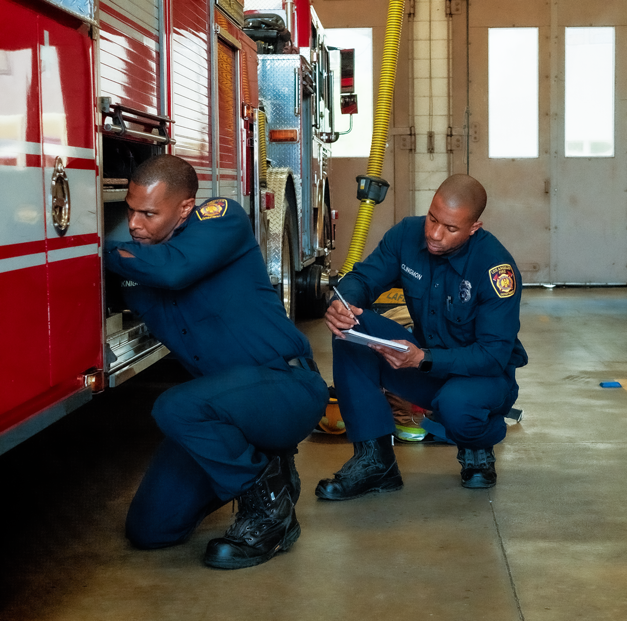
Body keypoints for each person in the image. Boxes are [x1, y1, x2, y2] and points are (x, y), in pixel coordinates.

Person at [104, 154, 328, 569]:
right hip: (222, 411)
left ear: (185, 207)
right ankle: (269, 467)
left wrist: (100, 249)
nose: (134, 224)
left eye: (149, 213)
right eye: (130, 211)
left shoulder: (221, 218)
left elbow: (174, 271)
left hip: (286, 388)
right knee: (151, 531)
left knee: (176, 405)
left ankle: (269, 511)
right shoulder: (143, 257)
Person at [317, 174, 528, 499]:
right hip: (426, 365)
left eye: (450, 228)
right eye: (432, 218)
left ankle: (482, 440)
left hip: (481, 378)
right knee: (352, 327)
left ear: (474, 227)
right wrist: (342, 302)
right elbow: (364, 276)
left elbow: (493, 356)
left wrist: (421, 358)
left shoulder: (495, 269)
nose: (434, 233)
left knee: (457, 405)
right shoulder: (407, 235)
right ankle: (375, 461)